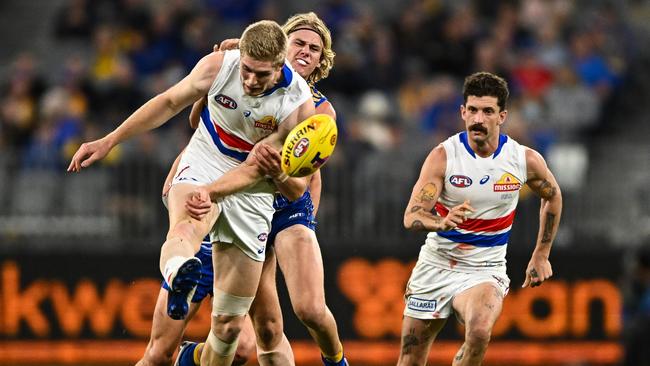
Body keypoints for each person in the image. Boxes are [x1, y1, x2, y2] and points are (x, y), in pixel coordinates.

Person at [68, 20, 315, 366]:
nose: (249, 81)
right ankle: (178, 273)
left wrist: (212, 192)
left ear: (279, 66)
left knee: (229, 330)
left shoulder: (298, 104)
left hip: (252, 192)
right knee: (185, 228)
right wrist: (110, 140)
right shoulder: (218, 66)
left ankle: (189, 355)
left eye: (260, 75)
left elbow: (256, 169)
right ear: (239, 57)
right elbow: (169, 102)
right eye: (245, 70)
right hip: (203, 161)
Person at [175, 12, 348, 366]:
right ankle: (187, 357)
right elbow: (199, 126)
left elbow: (300, 183)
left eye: (315, 48)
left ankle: (337, 362)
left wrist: (285, 186)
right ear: (282, 46)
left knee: (311, 309)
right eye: (299, 42)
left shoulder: (321, 111)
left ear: (321, 60)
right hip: (241, 199)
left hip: (287, 205)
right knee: (254, 338)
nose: (305, 52)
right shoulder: (242, 71)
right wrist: (214, 84)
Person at [398, 72, 562, 366]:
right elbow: (411, 216)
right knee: (411, 357)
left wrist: (542, 254)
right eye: (472, 110)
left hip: (485, 268)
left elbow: (552, 195)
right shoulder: (443, 157)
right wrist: (440, 222)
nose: (478, 118)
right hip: (437, 264)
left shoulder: (523, 160)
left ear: (502, 116)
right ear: (462, 112)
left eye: (487, 111)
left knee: (480, 331)